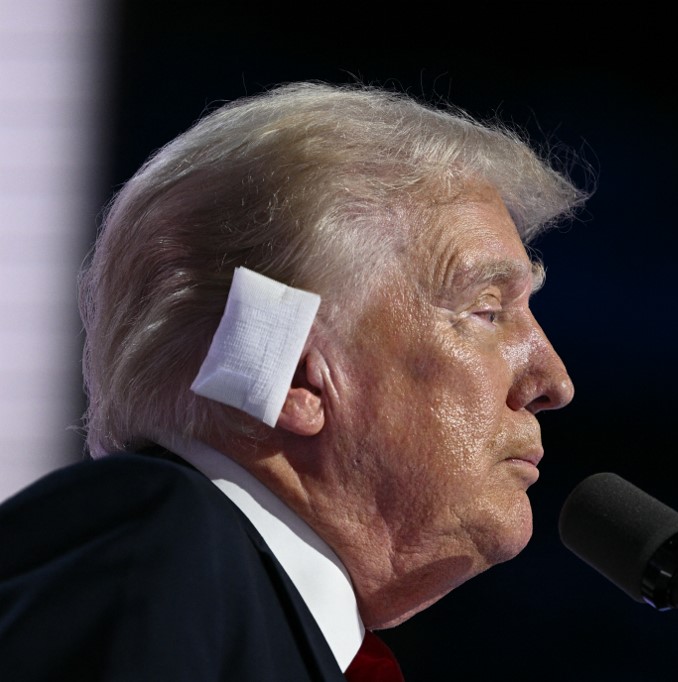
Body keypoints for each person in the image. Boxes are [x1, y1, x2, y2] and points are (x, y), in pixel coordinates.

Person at [0, 80, 589, 680]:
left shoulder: (252, 617)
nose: (554, 381)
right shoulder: (157, 545)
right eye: (485, 310)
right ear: (300, 377)